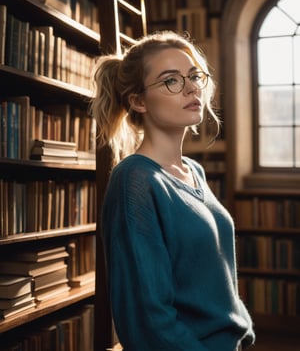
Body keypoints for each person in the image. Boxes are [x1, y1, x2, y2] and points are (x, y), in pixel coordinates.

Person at [91, 31, 255, 351]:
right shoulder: (135, 180)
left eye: (194, 76)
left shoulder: (195, 171)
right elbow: (149, 321)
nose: (192, 87)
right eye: (171, 81)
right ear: (138, 101)